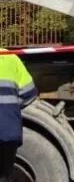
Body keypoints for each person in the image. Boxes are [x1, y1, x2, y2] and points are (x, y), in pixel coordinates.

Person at [0, 52, 37, 181]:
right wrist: (11, 107)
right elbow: (30, 92)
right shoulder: (11, 57)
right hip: (9, 130)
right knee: (4, 176)